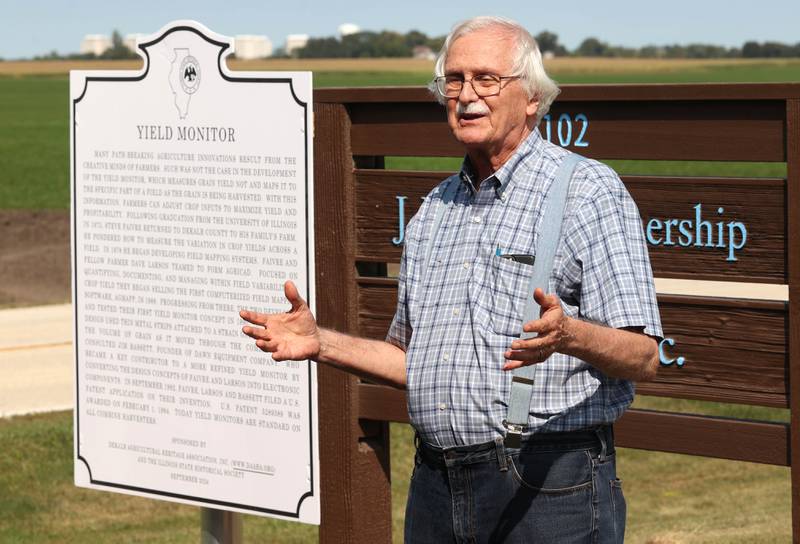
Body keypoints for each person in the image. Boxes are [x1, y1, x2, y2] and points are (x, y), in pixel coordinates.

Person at [241, 15, 662, 544]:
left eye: (486, 79)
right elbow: (410, 362)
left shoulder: (586, 192)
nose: (466, 96)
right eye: (454, 81)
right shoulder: (435, 210)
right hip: (437, 484)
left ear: (532, 97)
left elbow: (644, 356)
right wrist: (320, 341)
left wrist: (569, 334)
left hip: (548, 484)